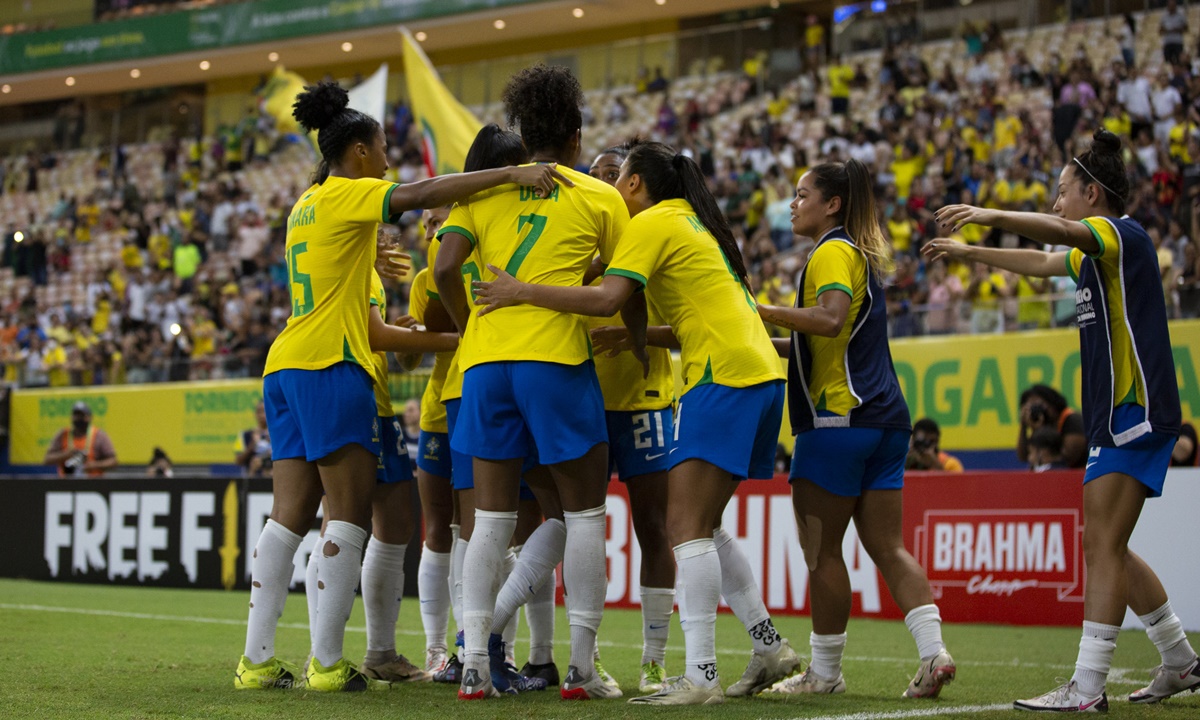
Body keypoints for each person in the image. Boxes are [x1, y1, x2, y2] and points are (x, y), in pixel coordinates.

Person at [234, 79, 568, 693]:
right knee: (348, 519)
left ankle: (255, 662)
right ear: (359, 151)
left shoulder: (304, 204)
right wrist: (508, 176)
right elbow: (424, 194)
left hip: (285, 363)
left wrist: (373, 263)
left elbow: (339, 265)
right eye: (383, 146)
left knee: (287, 519)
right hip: (332, 365)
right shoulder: (349, 192)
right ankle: (328, 664)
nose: (389, 158)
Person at [472, 139, 800, 706]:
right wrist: (637, 334)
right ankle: (768, 645)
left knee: (684, 529)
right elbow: (701, 311)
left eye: (617, 176)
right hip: (760, 374)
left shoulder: (648, 224)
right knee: (708, 524)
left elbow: (605, 300)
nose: (611, 186)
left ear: (635, 185)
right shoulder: (694, 222)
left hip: (721, 377)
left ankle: (700, 676)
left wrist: (520, 291)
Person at [927, 128, 1199, 711]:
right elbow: (1044, 258)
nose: (1056, 201)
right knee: (1108, 545)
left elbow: (1059, 233)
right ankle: (1178, 660)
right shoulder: (1092, 254)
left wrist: (985, 213)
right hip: (1118, 417)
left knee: (1101, 544)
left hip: (1135, 412)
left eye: (1062, 190)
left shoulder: (1119, 234)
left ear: (1093, 193)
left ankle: (1088, 686)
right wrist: (972, 252)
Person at [433, 66, 619, 702]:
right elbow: (625, 284)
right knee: (585, 514)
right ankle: (582, 669)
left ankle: (476, 665)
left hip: (484, 366)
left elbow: (443, 266)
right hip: (555, 361)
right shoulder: (598, 194)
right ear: (573, 135)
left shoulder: (483, 190)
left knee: (490, 520)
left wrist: (469, 328)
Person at [755, 158, 956, 700]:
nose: (793, 204)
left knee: (823, 554)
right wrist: (755, 338)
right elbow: (818, 341)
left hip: (837, 422)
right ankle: (933, 652)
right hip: (886, 422)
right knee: (888, 545)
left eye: (802, 195)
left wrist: (760, 310)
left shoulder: (832, 252)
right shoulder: (856, 252)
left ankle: (823, 674)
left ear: (833, 204)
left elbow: (828, 319)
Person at [1017, 384, 1087, 469]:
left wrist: (1041, 432)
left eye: (1039, 405)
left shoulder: (1073, 420)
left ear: (1051, 402)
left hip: (1078, 475)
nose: (1038, 411)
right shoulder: (1042, 426)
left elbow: (1066, 459)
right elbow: (1025, 456)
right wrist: (1024, 425)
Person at [44, 401, 118, 477]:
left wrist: (95, 465)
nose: (79, 418)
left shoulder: (99, 436)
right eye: (76, 415)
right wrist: (65, 455)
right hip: (66, 483)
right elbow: (47, 459)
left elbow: (113, 461)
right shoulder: (63, 434)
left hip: (93, 484)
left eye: (82, 415)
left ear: (90, 417)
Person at [234, 400, 272, 478]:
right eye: (259, 412)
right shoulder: (244, 435)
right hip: (252, 477)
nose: (262, 415)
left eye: (264, 411)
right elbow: (238, 461)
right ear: (255, 414)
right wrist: (252, 445)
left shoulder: (276, 435)